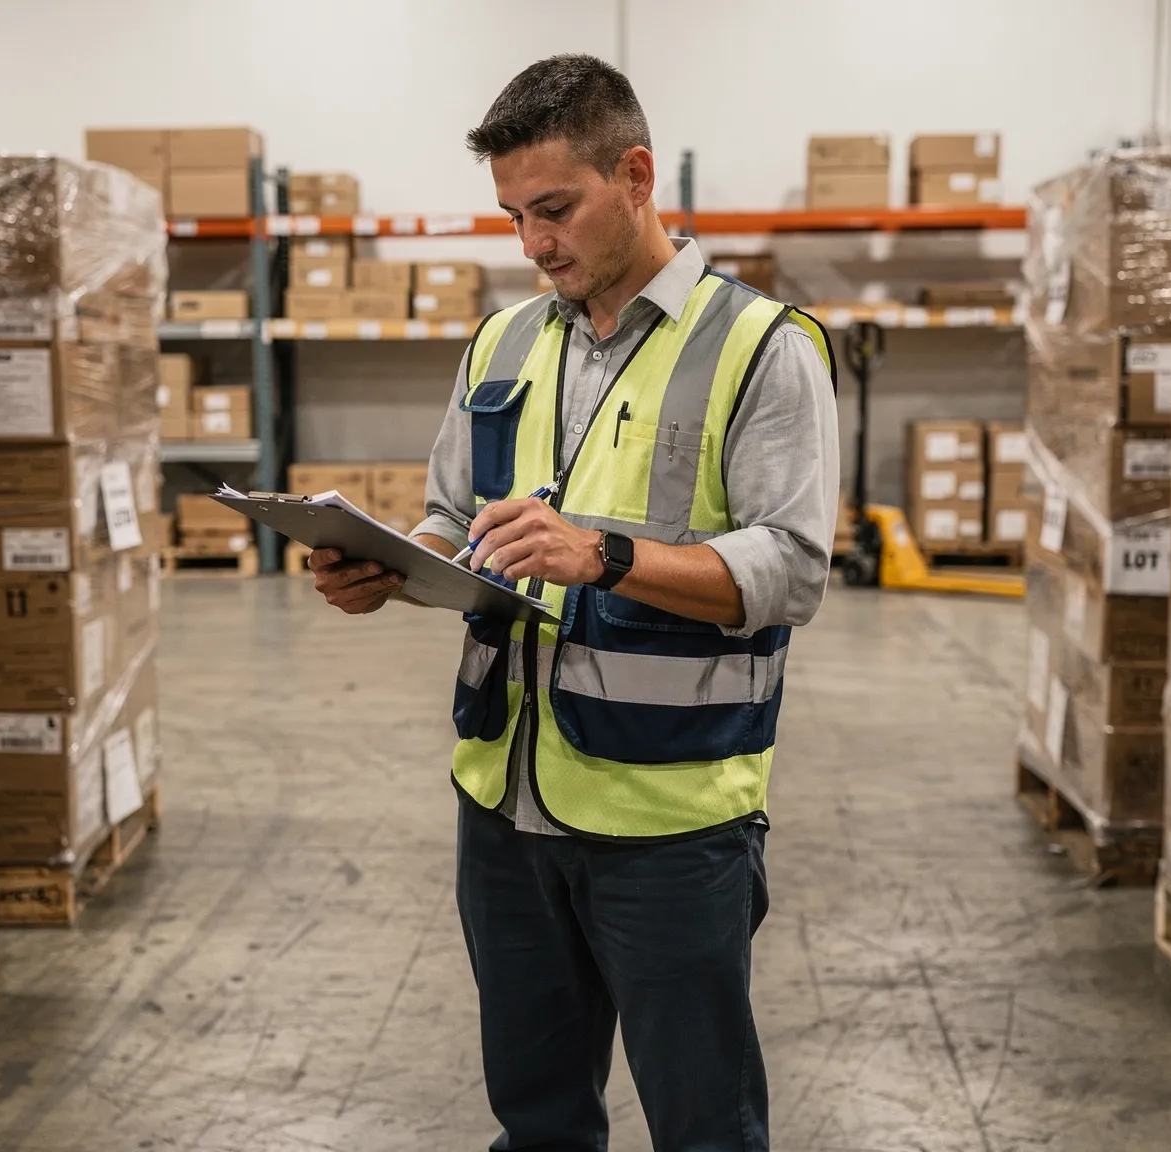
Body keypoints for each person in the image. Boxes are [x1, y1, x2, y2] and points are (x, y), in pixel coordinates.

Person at [308, 54, 839, 1152]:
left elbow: (790, 571)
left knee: (704, 1126)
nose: (533, 243)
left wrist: (602, 554)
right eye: (513, 216)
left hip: (666, 819)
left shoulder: (759, 349)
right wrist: (384, 567)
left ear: (634, 175)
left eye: (554, 209)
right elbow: (451, 518)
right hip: (502, 800)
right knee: (536, 1119)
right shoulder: (503, 342)